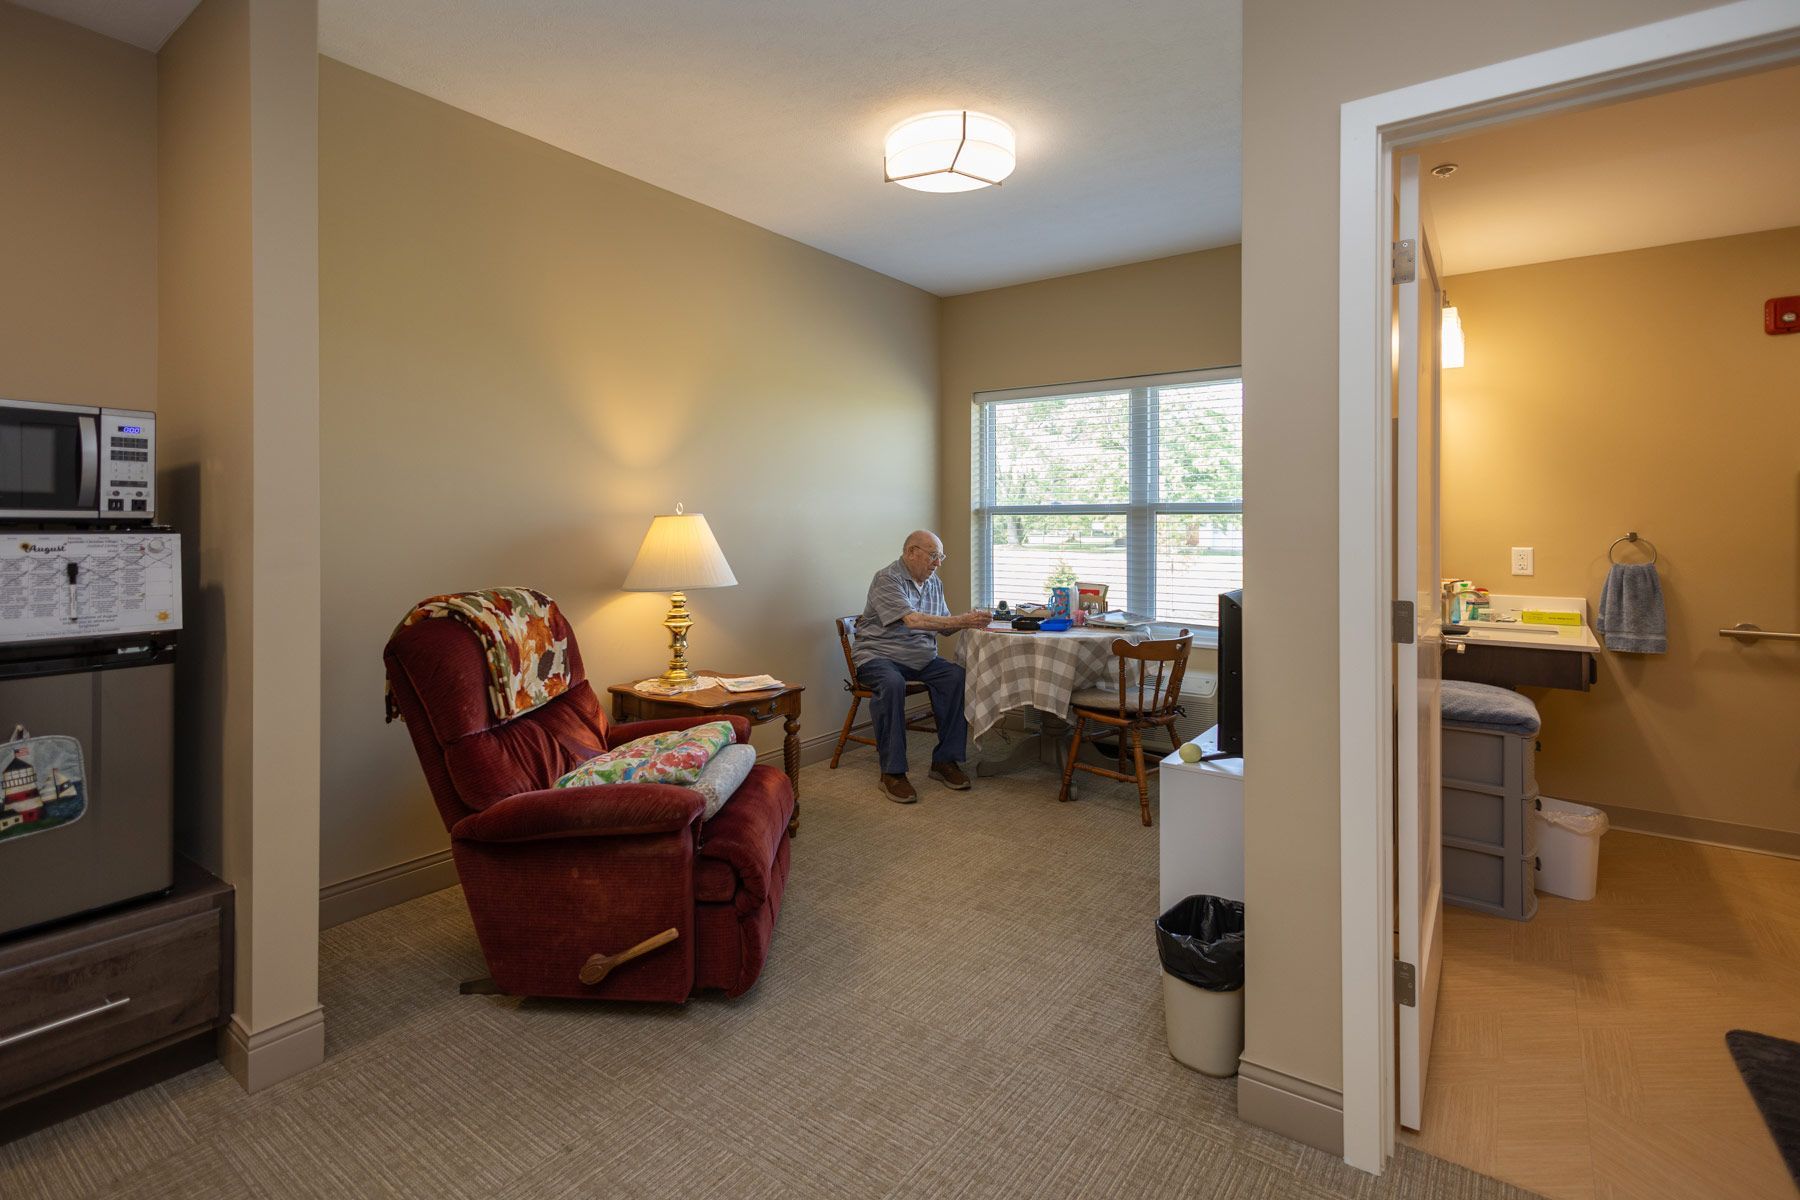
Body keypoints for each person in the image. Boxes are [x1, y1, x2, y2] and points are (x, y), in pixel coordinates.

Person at [852, 531, 990, 803]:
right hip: (878, 656)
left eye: (941, 557)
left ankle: (945, 761)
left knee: (956, 677)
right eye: (933, 555)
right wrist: (960, 620)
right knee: (892, 684)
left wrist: (972, 621)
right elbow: (913, 621)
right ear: (911, 552)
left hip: (921, 659)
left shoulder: (933, 582)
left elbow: (944, 624)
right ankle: (892, 773)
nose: (938, 563)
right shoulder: (887, 579)